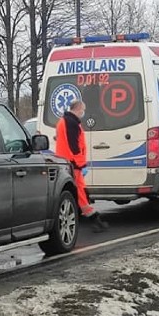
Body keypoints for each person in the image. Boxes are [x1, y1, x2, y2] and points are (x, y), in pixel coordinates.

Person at [54, 99, 108, 232]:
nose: (83, 113)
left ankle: (88, 217)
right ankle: (93, 218)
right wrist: (80, 162)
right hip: (72, 163)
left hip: (69, 162)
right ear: (78, 109)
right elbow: (74, 145)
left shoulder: (66, 121)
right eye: (83, 110)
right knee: (80, 192)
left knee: (80, 191)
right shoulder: (70, 123)